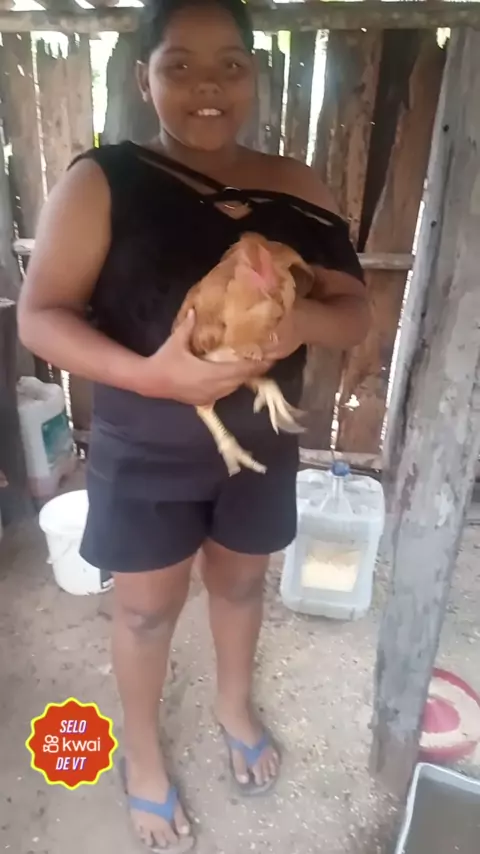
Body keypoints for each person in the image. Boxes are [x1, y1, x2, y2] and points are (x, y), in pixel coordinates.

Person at [18, 0, 370, 850]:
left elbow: (353, 311)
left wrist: (294, 323)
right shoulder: (103, 180)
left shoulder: (298, 185)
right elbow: (41, 317)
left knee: (243, 586)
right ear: (145, 80)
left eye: (229, 65)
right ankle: (142, 756)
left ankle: (232, 705)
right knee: (145, 614)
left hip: (260, 444)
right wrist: (151, 376)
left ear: (256, 75)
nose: (207, 85)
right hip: (146, 448)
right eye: (179, 65)